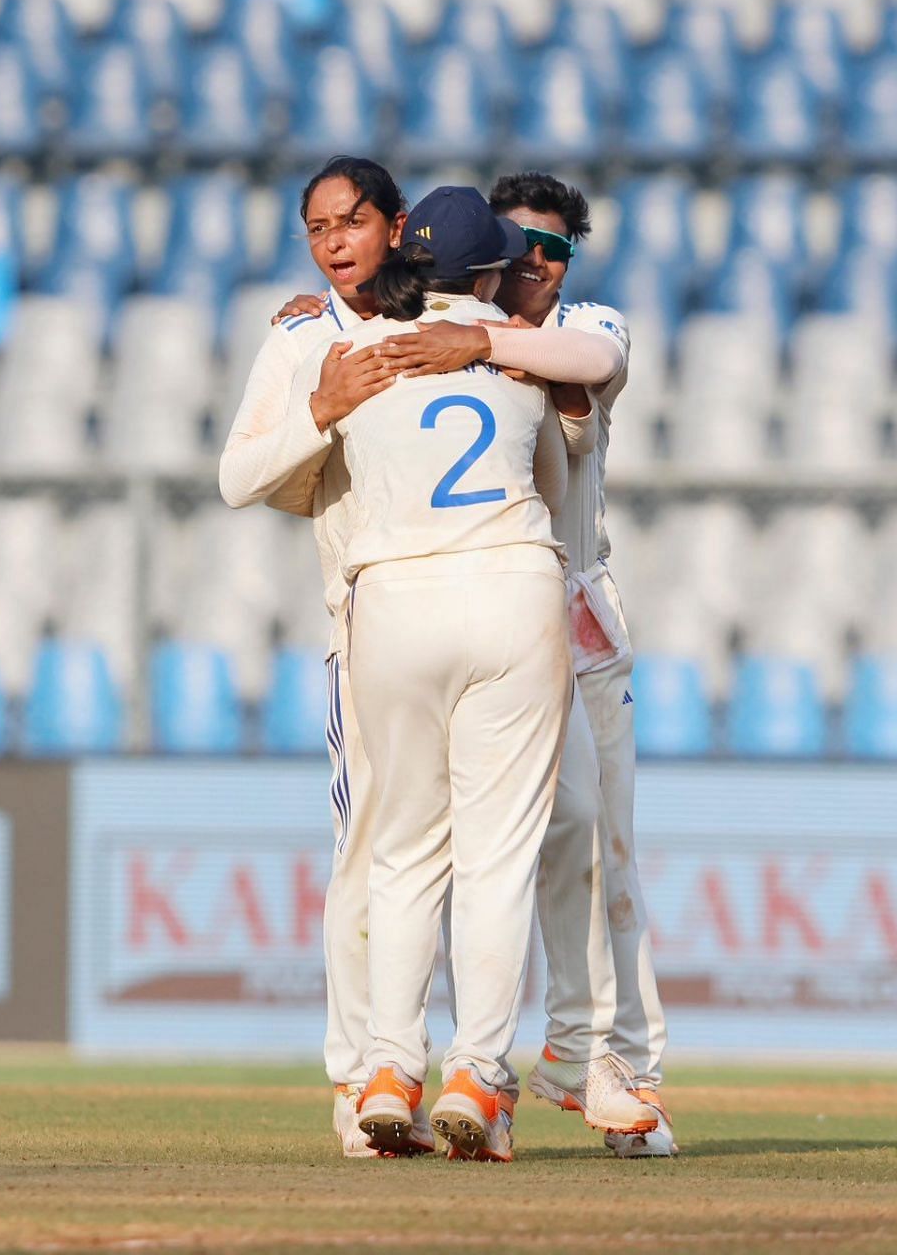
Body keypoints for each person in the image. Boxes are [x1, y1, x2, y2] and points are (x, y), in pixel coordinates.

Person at [362, 172, 677, 1157]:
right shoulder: (460, 332)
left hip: (574, 612)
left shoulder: (577, 322)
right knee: (494, 844)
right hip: (508, 606)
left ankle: (617, 1064)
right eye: (522, 245)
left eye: (555, 247)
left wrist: (484, 339)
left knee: (599, 839)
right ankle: (508, 1063)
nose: (539, 262)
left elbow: (591, 359)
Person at [294, 184, 570, 1161]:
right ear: (488, 271)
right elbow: (558, 486)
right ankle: (476, 1076)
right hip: (506, 587)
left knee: (403, 852)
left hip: (395, 602)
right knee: (494, 857)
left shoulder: (362, 358)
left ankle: (387, 1067)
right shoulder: (517, 359)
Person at [218, 156, 412, 1156]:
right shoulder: (303, 337)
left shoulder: (443, 315)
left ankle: (442, 1064)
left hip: (461, 620)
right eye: (318, 228)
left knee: (465, 866)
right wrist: (319, 407)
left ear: (396, 224)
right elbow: (238, 474)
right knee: (369, 855)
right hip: (364, 626)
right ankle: (357, 1076)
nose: (335, 242)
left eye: (353, 221)